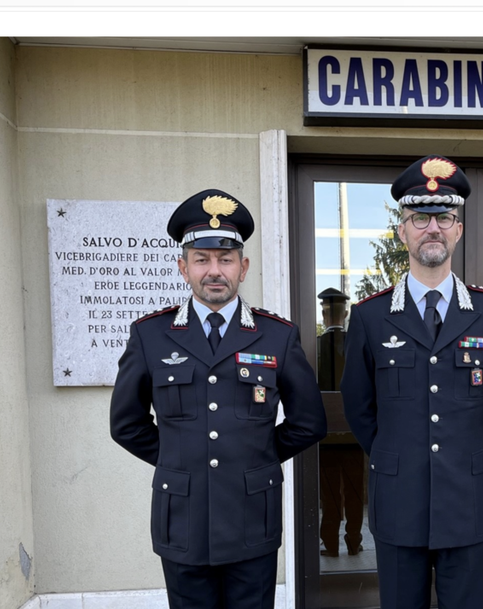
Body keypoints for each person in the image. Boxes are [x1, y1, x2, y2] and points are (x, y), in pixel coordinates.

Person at [110, 189, 327, 609]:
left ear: (243, 267)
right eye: (201, 259)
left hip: (252, 516)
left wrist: (255, 455)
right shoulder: (150, 335)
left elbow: (309, 422)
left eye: (225, 259)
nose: (214, 271)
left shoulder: (277, 336)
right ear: (183, 267)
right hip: (182, 519)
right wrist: (178, 458)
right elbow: (126, 425)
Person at [341, 155, 483, 609]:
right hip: (398, 500)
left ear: (458, 230)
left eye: (444, 217)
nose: (432, 228)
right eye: (420, 218)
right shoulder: (370, 316)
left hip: (466, 499)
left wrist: (463, 448)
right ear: (402, 231)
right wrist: (397, 452)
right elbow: (359, 406)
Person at [315, 288, 365, 558]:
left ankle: (331, 543)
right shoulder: (356, 345)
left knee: (330, 492)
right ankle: (354, 541)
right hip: (354, 433)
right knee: (355, 490)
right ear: (345, 314)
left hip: (326, 435)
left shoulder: (314, 347)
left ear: (323, 315)